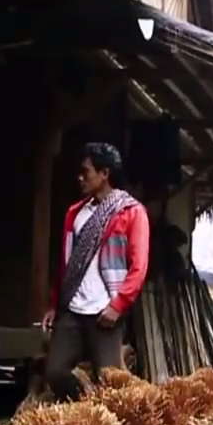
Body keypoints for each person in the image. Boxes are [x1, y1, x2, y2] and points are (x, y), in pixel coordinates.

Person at [42, 142, 150, 398]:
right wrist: (55, 304)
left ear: (105, 174)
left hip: (105, 311)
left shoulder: (131, 213)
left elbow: (139, 266)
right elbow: (67, 265)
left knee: (109, 383)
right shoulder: (75, 213)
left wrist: (118, 305)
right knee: (54, 372)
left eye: (86, 171)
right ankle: (85, 406)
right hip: (73, 310)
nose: (80, 178)